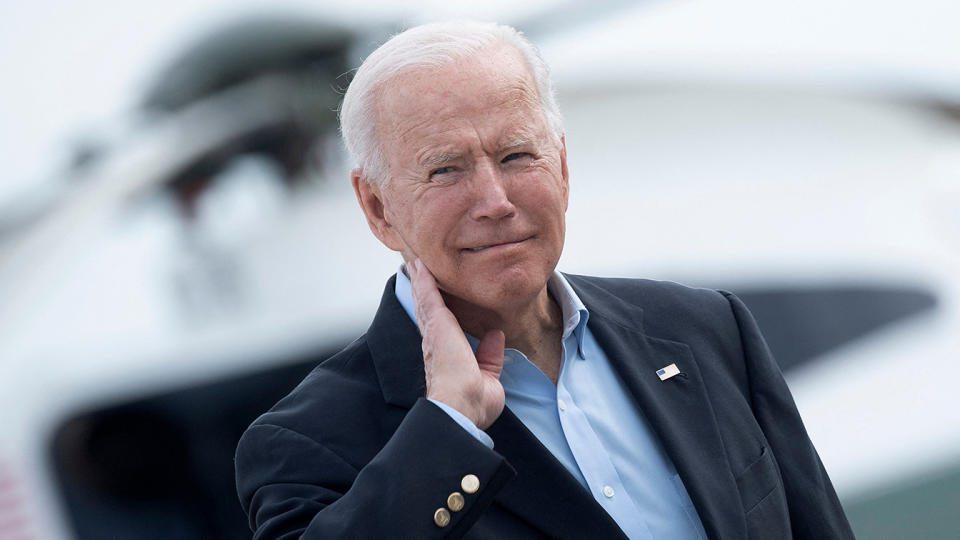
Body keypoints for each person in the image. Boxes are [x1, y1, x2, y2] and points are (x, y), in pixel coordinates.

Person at [235, 20, 854, 539]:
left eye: (515, 156)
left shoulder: (705, 330)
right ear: (376, 208)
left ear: (560, 162)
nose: (495, 200)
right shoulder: (305, 443)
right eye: (446, 170)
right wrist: (447, 425)